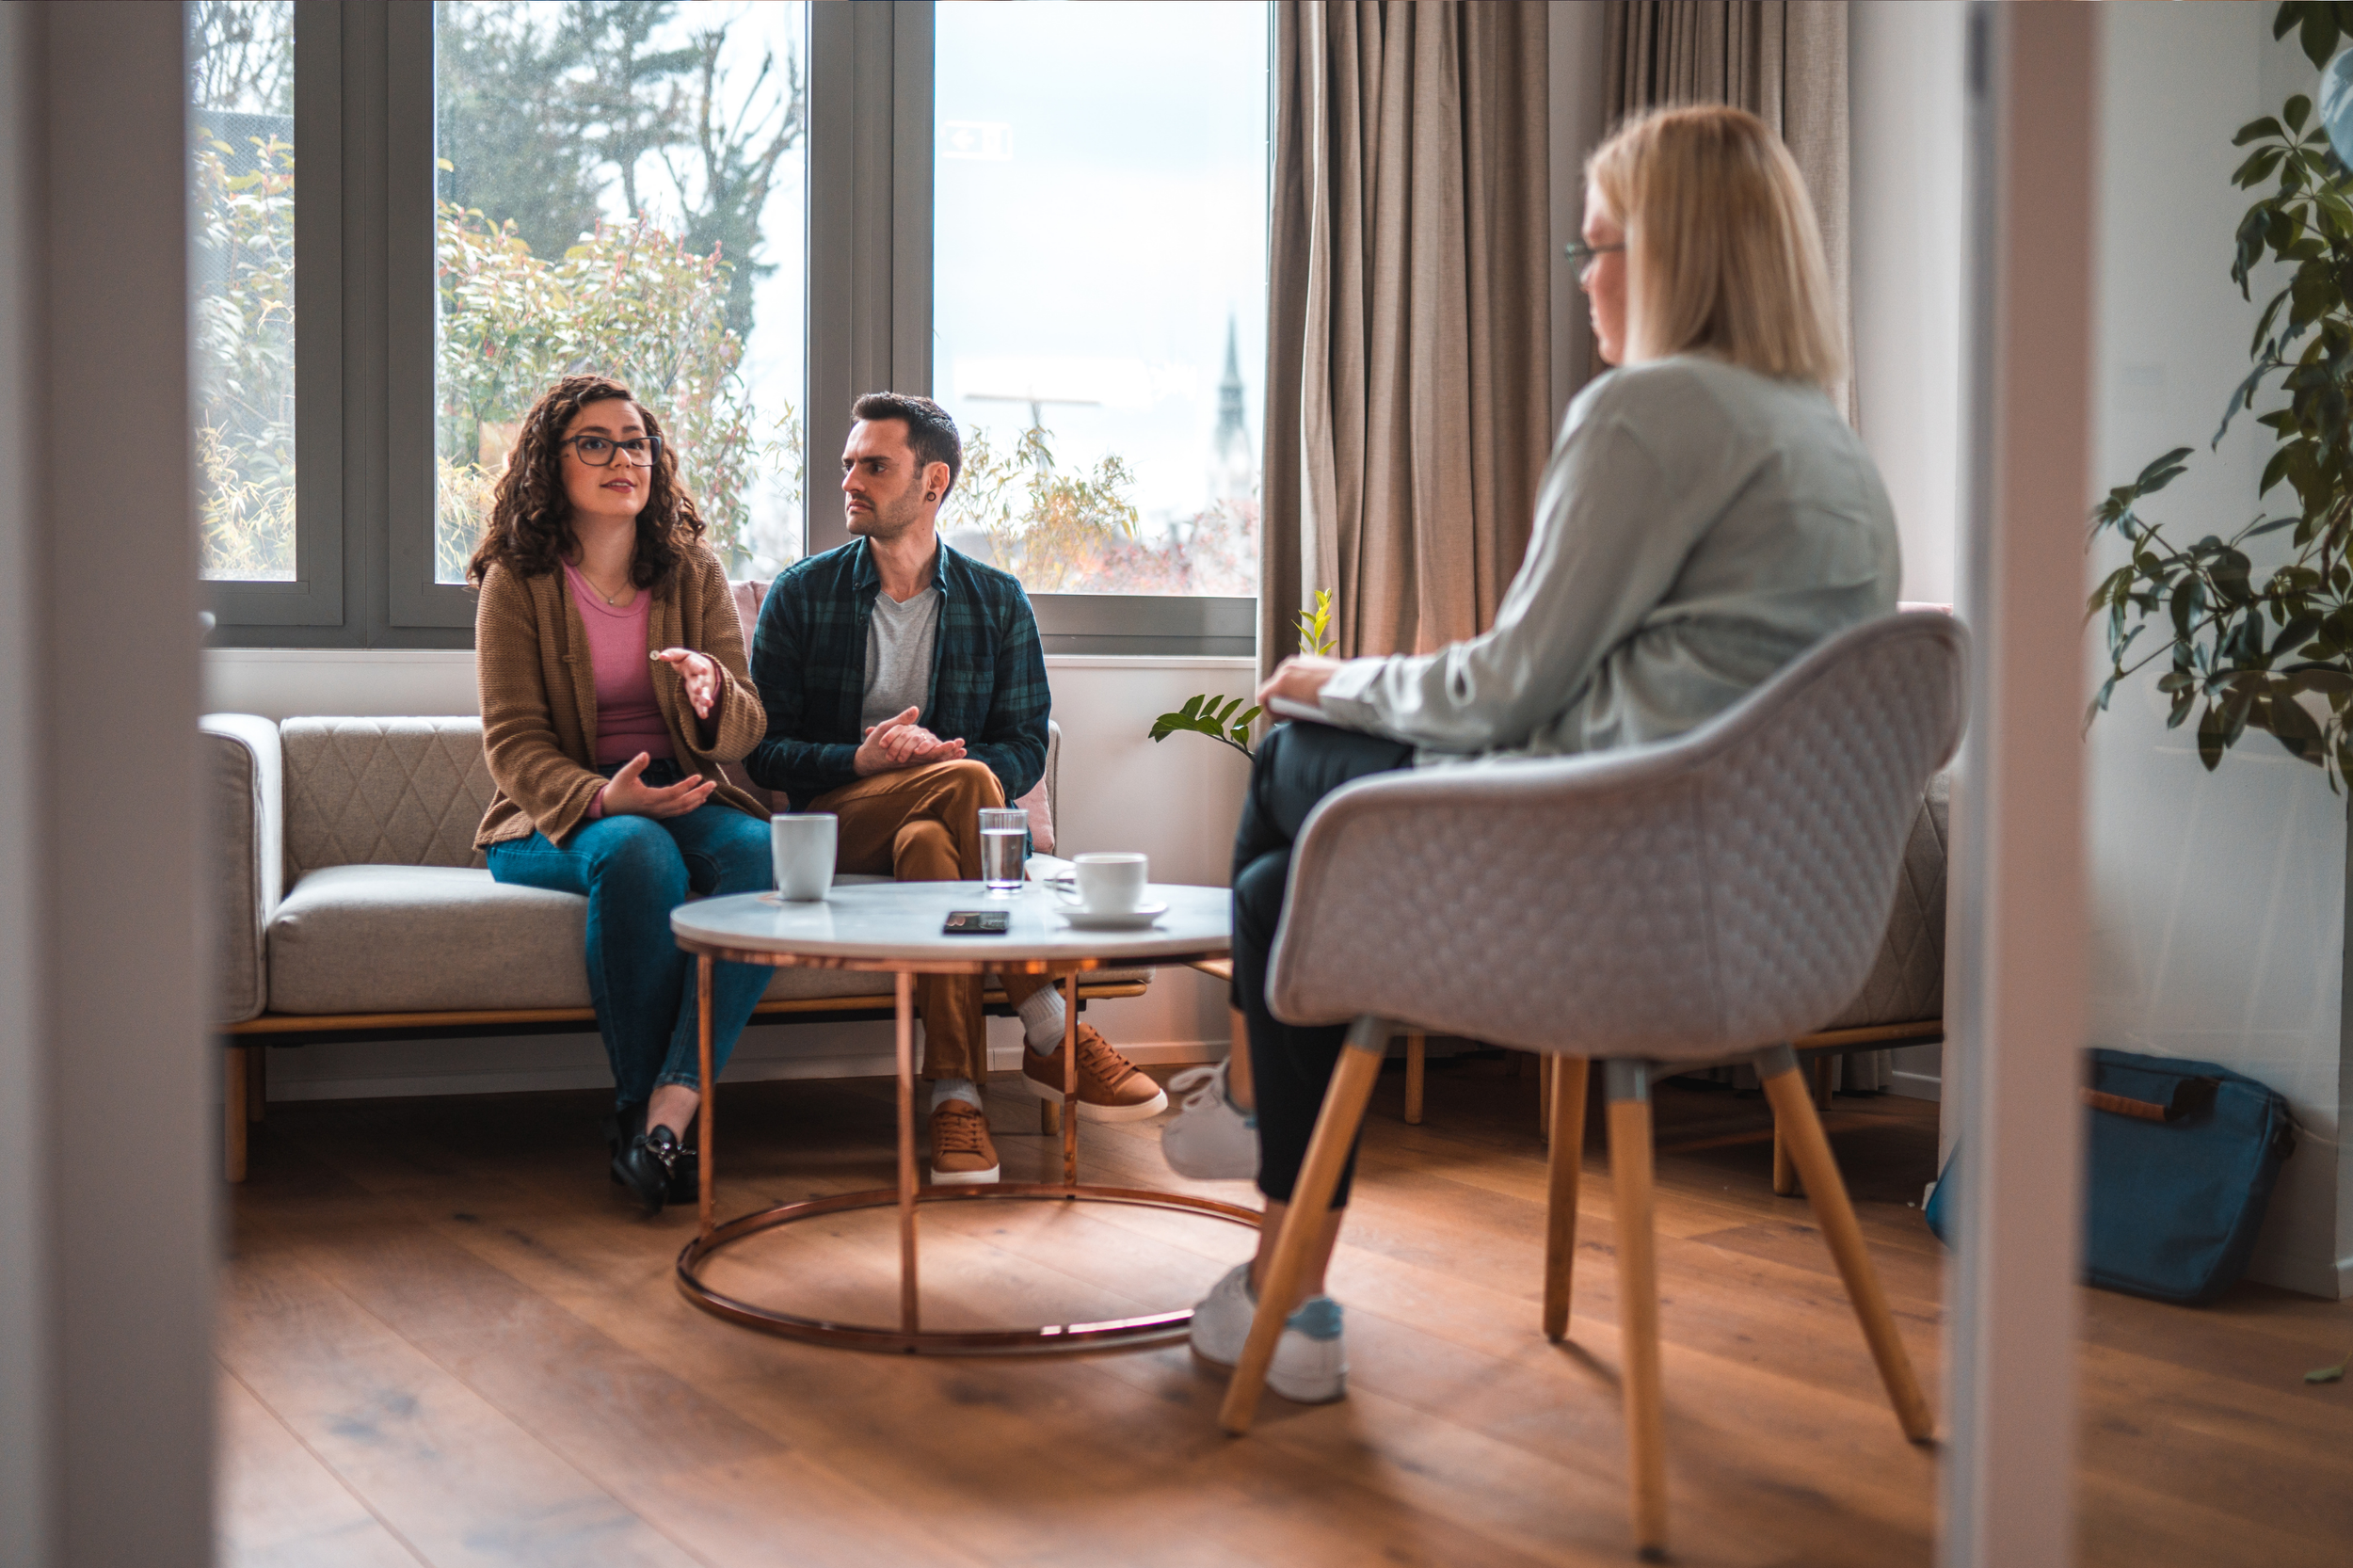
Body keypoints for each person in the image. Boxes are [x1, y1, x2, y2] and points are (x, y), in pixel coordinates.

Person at [1169, 104, 1903, 1404]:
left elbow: (1510, 686)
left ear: (1678, 255)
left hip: (1607, 887)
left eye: (1602, 246)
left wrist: (1340, 674)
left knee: (1290, 766)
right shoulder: (1834, 447)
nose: (1584, 282)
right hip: (1767, 921)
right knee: (1291, 898)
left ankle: (1267, 1181)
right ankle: (1292, 1277)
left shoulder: (1649, 412)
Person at [747, 392, 1166, 1187]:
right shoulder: (802, 595)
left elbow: (1023, 745)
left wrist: (942, 769)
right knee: (965, 780)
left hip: (935, 836)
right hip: (840, 820)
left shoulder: (996, 599)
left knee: (934, 840)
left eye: (875, 465)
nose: (851, 481)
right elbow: (765, 753)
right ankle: (1049, 1024)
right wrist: (863, 761)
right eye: (848, 464)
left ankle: (957, 1099)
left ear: (932, 481)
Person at [469, 373, 775, 1214]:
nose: (620, 459)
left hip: (680, 793)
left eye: (634, 443)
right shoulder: (517, 581)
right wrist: (606, 802)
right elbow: (514, 744)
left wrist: (714, 693)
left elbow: (746, 726)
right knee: (638, 855)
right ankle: (647, 1121)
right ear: (550, 465)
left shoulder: (691, 570)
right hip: (558, 813)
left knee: (760, 853)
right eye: (594, 443)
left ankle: (670, 1109)